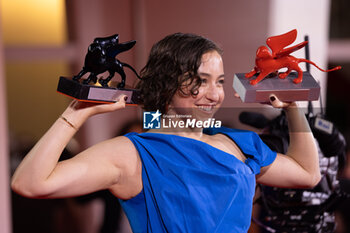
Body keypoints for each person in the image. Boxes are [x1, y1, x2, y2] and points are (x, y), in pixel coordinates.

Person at [11, 33, 321, 233]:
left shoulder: (237, 143)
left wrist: (291, 108)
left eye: (220, 82)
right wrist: (75, 114)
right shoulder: (133, 155)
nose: (214, 95)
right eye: (200, 81)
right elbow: (30, 183)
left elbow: (307, 174)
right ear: (166, 83)